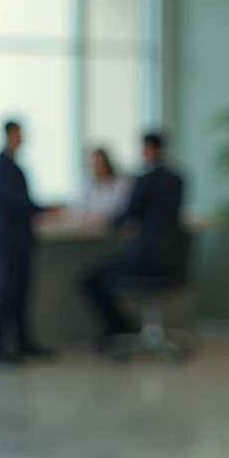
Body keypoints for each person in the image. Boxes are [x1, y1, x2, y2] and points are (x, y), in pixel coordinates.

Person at [80, 132, 184, 353]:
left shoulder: (145, 180)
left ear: (147, 148)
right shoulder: (178, 179)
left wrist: (106, 221)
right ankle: (126, 327)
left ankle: (119, 327)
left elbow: (127, 215)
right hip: (170, 259)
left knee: (91, 278)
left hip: (146, 257)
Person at [0, 120, 60, 365]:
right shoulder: (0, 166)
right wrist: (45, 208)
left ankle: (24, 343)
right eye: (18, 134)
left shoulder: (13, 166)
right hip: (8, 240)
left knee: (22, 293)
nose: (21, 138)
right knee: (7, 294)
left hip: (20, 239)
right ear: (8, 135)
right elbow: (16, 203)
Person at [74, 148, 132, 224]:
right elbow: (80, 207)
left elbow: (117, 209)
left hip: (112, 227)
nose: (97, 167)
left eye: (100, 163)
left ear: (107, 163)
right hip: (92, 227)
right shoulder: (89, 185)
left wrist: (98, 217)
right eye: (95, 164)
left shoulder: (120, 183)